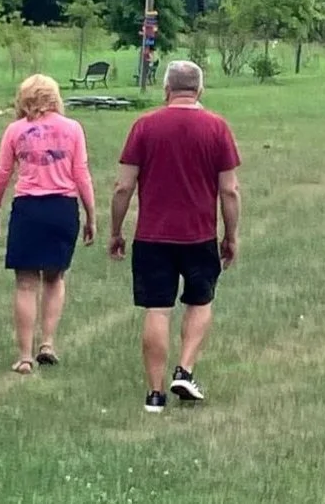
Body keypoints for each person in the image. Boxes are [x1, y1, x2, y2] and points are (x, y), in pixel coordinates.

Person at [108, 60, 241, 414]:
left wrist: (116, 231)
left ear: (166, 89)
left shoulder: (144, 126)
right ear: (200, 90)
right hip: (199, 235)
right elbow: (229, 191)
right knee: (200, 301)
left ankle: (154, 394)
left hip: (152, 235)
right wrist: (231, 235)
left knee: (158, 309)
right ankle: (185, 368)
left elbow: (123, 186)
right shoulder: (217, 128)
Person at [0, 75, 96, 375]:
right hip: (62, 208)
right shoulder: (72, 128)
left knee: (25, 283)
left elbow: (1, 175)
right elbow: (82, 174)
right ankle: (47, 343)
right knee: (54, 278)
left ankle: (24, 356)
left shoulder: (14, 131)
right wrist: (90, 215)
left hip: (28, 209)